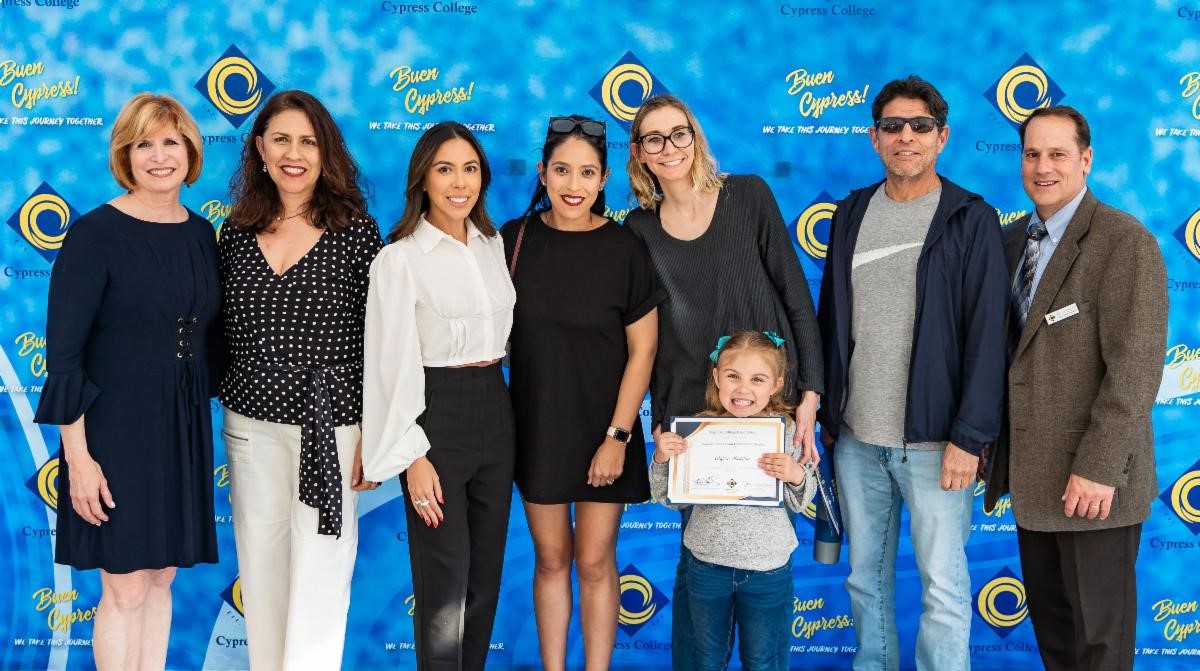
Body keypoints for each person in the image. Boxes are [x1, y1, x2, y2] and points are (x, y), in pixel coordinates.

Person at [624, 94, 823, 671]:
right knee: (701, 567)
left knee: (763, 550)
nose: (669, 147)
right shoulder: (638, 229)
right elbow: (646, 334)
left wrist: (809, 393)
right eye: (653, 138)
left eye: (678, 133)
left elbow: (794, 292)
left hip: (769, 404)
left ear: (696, 136)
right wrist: (658, 426)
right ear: (638, 153)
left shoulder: (749, 195)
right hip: (693, 420)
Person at [815, 75, 1008, 671]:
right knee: (864, 586)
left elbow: (988, 337)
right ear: (875, 138)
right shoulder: (850, 213)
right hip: (857, 441)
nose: (906, 137)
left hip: (937, 444)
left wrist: (969, 439)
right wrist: (825, 417)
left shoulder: (970, 218)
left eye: (920, 126)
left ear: (941, 137)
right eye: (893, 127)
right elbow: (829, 321)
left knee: (944, 592)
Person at [34, 92, 218, 670]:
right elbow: (64, 358)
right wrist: (79, 460)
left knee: (161, 578)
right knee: (125, 588)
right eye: (144, 144)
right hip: (112, 436)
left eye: (170, 142)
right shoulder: (95, 234)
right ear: (125, 155)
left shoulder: (201, 233)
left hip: (180, 431)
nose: (159, 156)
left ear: (190, 151)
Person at [984, 105, 1168, 671]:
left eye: (1057, 154)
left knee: (1100, 648)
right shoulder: (1010, 241)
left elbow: (1134, 371)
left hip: (1094, 487)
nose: (1043, 167)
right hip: (1033, 487)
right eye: (1032, 154)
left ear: (1085, 161)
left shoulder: (1123, 242)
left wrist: (1098, 466)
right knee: (1058, 643)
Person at [218, 89, 382, 670]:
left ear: (325, 152)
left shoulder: (358, 233)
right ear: (259, 148)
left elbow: (380, 343)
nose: (294, 154)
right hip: (249, 428)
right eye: (281, 139)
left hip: (331, 429)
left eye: (308, 142)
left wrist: (373, 432)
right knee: (261, 574)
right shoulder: (235, 233)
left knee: (321, 575)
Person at [502, 115, 662, 671]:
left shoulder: (625, 247)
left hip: (605, 428)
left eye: (587, 173)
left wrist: (617, 437)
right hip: (537, 427)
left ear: (604, 179)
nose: (574, 184)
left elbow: (643, 351)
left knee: (595, 561)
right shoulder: (511, 240)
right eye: (562, 170)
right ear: (543, 174)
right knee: (551, 559)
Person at [361, 121, 516, 671]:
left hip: (496, 412)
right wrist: (415, 455)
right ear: (422, 179)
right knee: (444, 585)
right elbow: (390, 363)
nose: (459, 182)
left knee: (484, 579)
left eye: (470, 169)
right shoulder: (399, 259)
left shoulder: (494, 246)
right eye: (445, 169)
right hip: (436, 418)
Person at [651, 330, 817, 671]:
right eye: (733, 377)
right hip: (707, 566)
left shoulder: (785, 431)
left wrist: (796, 475)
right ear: (716, 378)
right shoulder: (695, 431)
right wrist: (662, 461)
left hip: (767, 570)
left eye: (757, 379)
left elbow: (801, 501)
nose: (743, 390)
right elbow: (668, 500)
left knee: (762, 661)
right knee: (707, 659)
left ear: (776, 384)